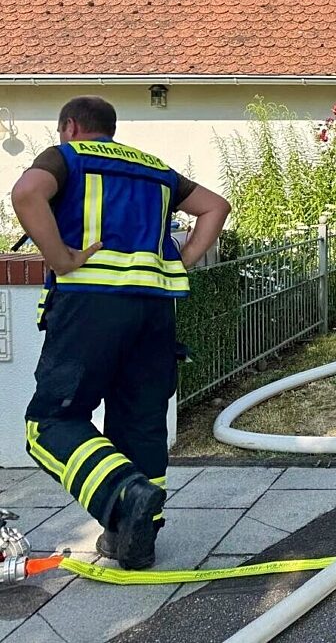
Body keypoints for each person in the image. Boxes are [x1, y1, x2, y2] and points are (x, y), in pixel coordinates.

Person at [10, 96, 230, 569]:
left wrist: (61, 258)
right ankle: (135, 541)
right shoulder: (156, 169)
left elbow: (26, 193)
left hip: (89, 308)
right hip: (154, 312)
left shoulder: (67, 156)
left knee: (50, 423)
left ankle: (122, 493)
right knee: (140, 422)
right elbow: (215, 206)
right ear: (111, 129)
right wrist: (183, 259)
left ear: (70, 126)